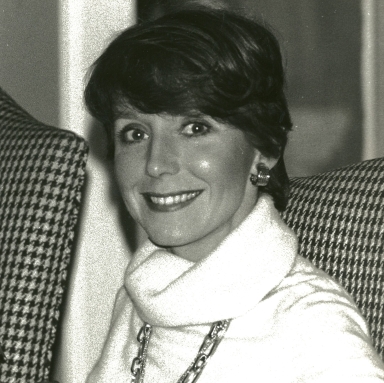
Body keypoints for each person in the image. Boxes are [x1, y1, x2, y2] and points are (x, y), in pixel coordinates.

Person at [84, 8, 384, 383]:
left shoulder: (311, 323)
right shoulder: (140, 296)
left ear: (264, 149)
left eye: (195, 127)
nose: (156, 164)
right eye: (135, 133)